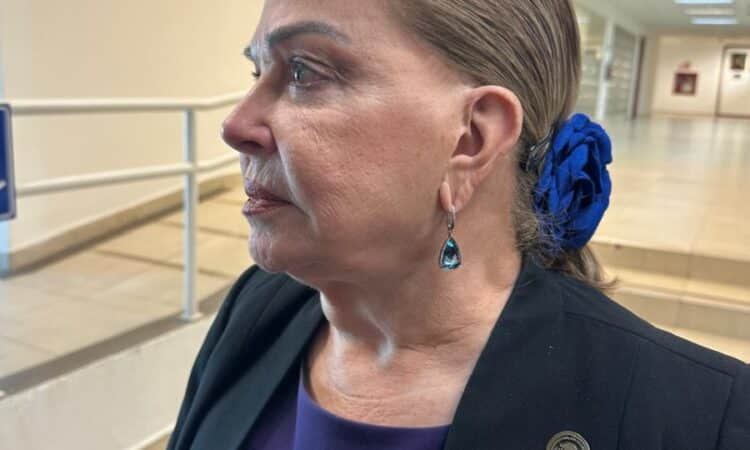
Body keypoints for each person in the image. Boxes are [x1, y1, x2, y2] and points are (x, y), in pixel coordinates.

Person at [167, 0, 750, 449]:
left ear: (470, 138)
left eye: (303, 71)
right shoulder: (258, 309)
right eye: (258, 72)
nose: (236, 125)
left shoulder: (699, 418)